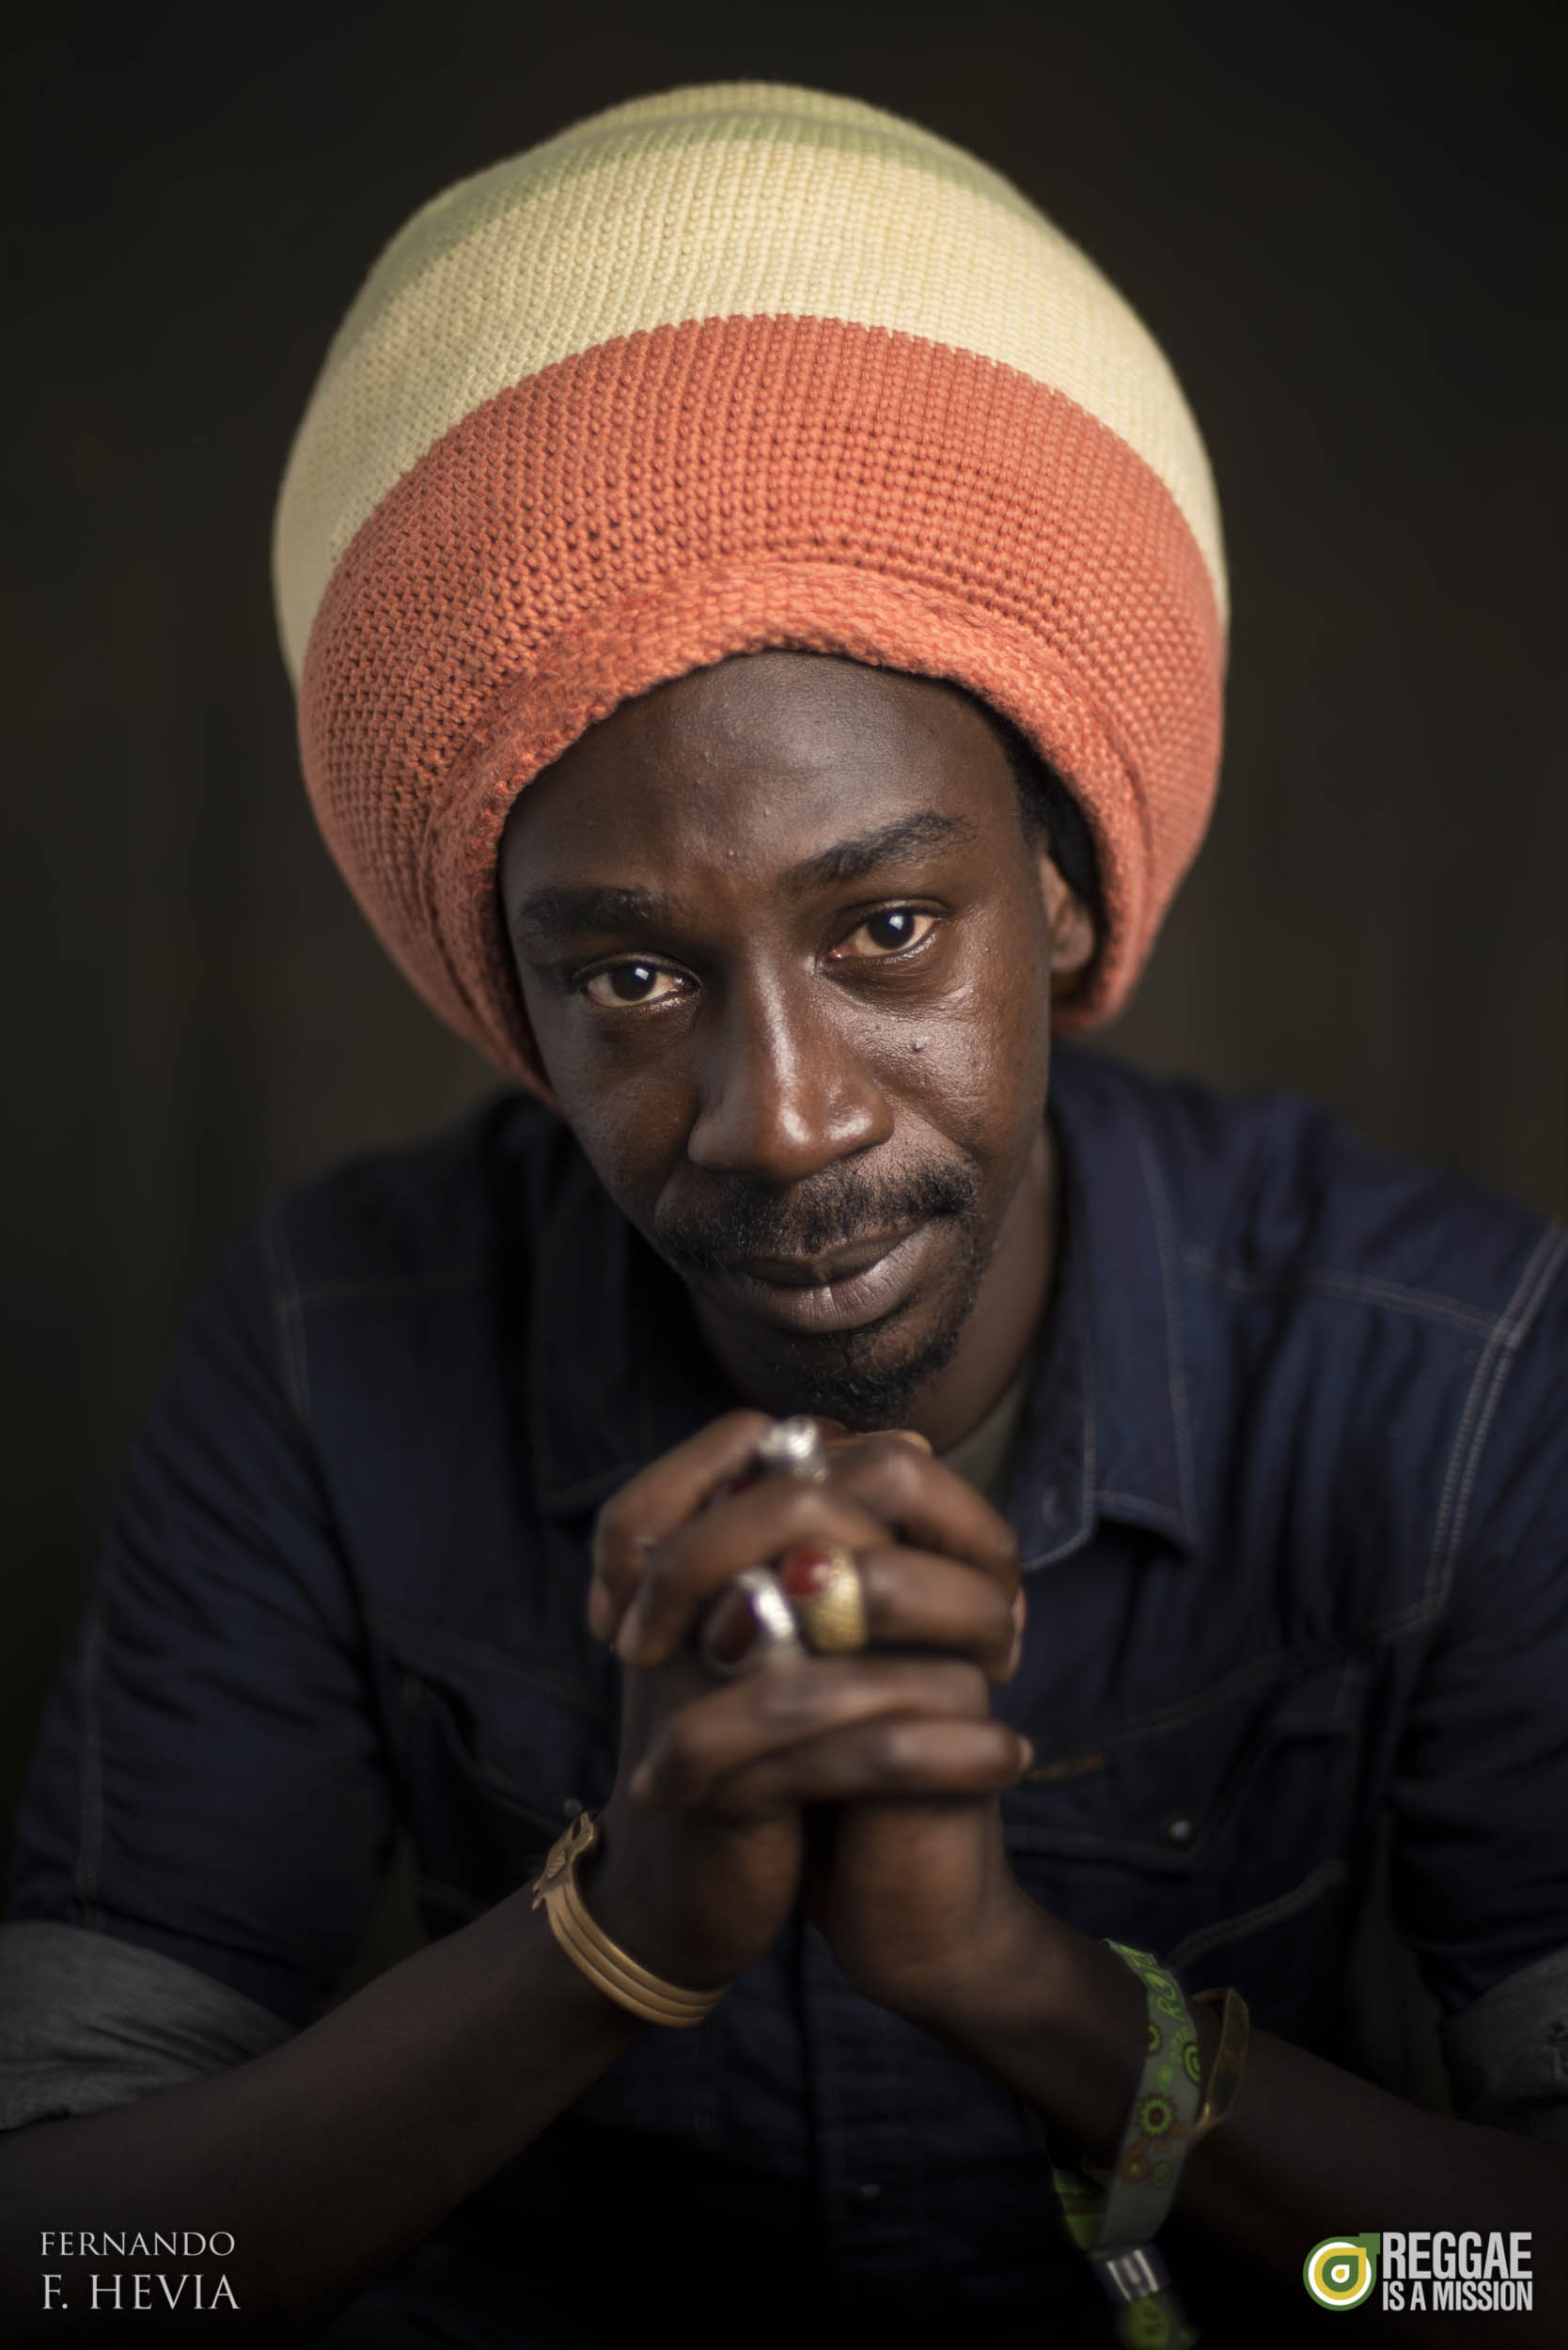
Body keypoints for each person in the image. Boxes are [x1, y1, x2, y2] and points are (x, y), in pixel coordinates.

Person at [3, 82, 1565, 2349]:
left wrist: (1017, 1983)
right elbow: (73, 2272)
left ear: (1060, 888)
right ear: (512, 997)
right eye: (633, 978)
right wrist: (613, 1939)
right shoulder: (336, 1348)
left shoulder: (1446, 1373)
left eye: (887, 929)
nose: (785, 1118)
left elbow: (1514, 2278)